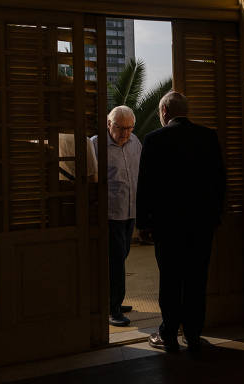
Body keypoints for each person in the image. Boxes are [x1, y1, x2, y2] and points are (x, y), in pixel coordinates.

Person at [136, 91, 225, 353]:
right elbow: (219, 182)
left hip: (168, 226)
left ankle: (169, 333)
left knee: (171, 279)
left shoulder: (154, 140)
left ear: (163, 112)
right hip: (201, 225)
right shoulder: (208, 137)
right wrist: (214, 216)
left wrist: (143, 223)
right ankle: (194, 335)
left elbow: (146, 187)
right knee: (197, 279)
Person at [92, 105, 141, 327]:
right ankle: (113, 311)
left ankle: (113, 301)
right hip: (110, 214)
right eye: (121, 128)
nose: (126, 134)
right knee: (115, 263)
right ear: (108, 124)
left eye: (130, 128)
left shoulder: (135, 142)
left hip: (130, 211)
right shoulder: (95, 145)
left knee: (121, 258)